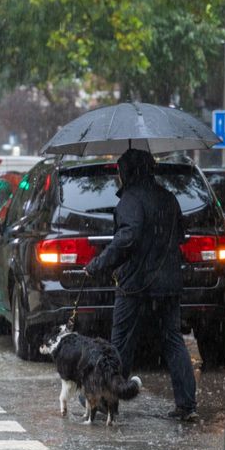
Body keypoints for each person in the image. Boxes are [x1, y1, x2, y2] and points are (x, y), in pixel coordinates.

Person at [84, 148, 199, 422]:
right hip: (168, 283)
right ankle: (186, 404)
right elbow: (180, 236)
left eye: (120, 171)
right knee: (173, 340)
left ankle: (104, 400)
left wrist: (98, 264)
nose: (118, 176)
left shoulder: (130, 200)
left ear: (127, 172)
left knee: (120, 345)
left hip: (135, 284)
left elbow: (127, 238)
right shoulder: (168, 198)